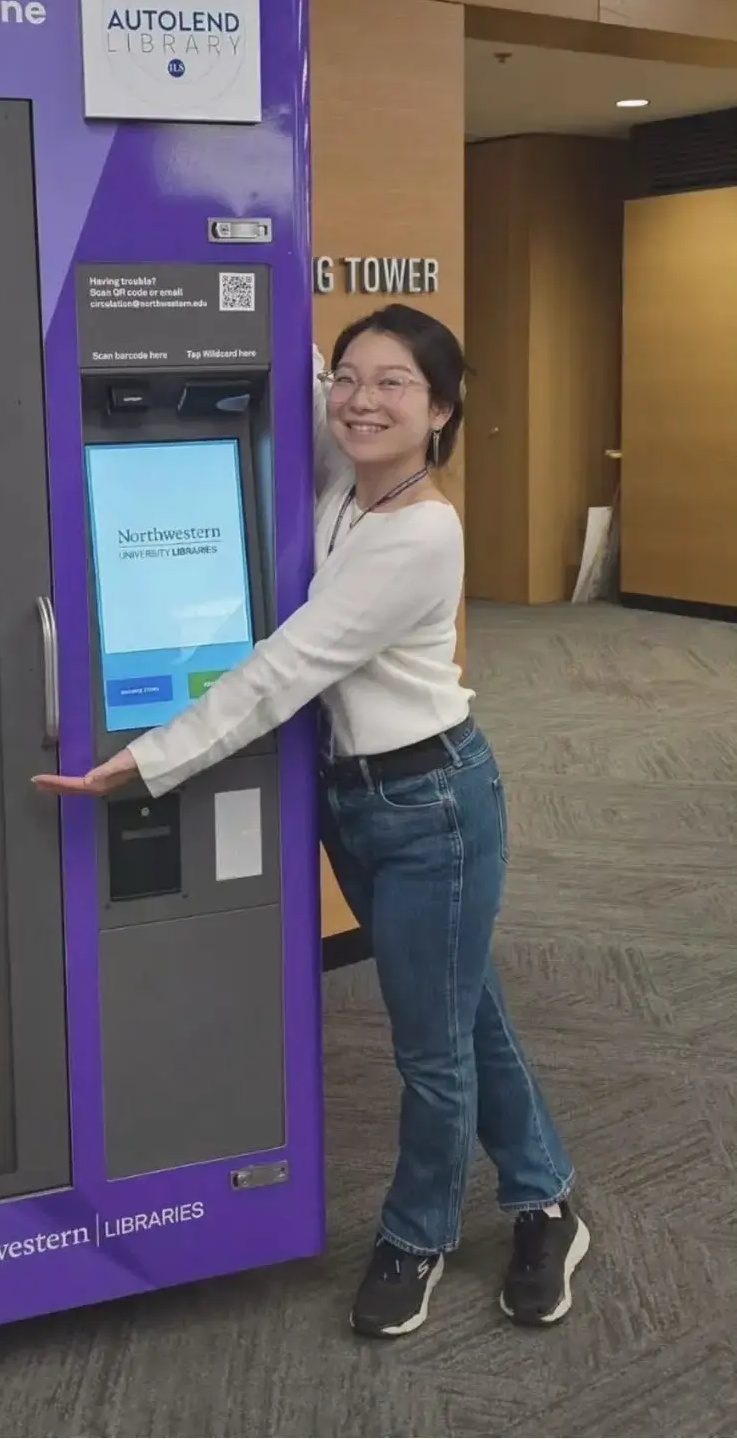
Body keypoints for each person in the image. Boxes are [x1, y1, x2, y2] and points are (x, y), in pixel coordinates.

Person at [34, 304, 588, 1339]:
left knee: (430, 1045)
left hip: (431, 804)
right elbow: (286, 349)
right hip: (356, 799)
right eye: (349, 377)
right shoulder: (345, 488)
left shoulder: (422, 531)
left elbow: (285, 669)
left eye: (394, 385)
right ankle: (544, 1192)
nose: (362, 400)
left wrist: (145, 760)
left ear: (442, 412)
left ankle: (416, 1235)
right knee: (467, 1014)